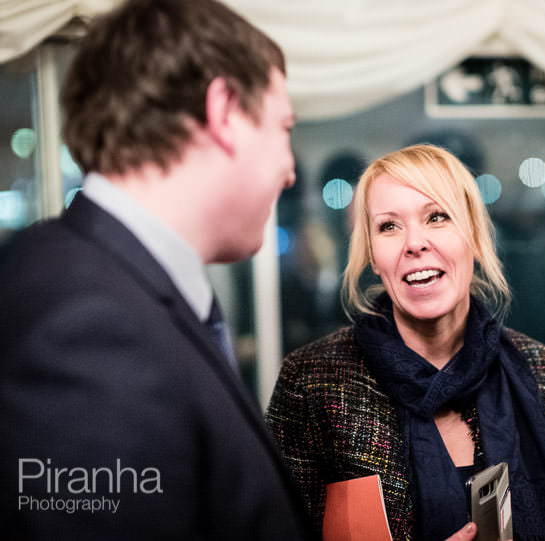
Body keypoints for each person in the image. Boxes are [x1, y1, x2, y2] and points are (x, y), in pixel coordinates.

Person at [0, 0, 314, 538]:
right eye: (283, 127)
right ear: (224, 111)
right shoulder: (87, 327)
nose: (289, 171)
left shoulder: (106, 283)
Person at [267, 144, 545, 541]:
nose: (414, 243)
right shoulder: (314, 382)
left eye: (437, 217)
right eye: (389, 226)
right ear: (372, 255)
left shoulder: (544, 373)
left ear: (474, 236)